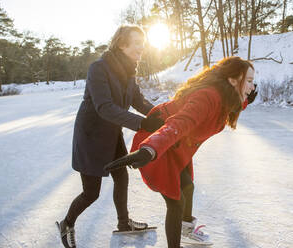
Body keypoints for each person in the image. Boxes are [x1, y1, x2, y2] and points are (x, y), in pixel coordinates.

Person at [104, 56, 257, 248]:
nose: (252, 87)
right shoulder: (208, 96)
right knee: (176, 202)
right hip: (160, 140)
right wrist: (150, 148)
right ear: (233, 80)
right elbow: (179, 123)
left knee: (187, 187)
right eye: (249, 81)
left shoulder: (225, 96)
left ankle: (186, 231)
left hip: (176, 145)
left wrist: (244, 102)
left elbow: (226, 110)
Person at [56, 25, 164, 248]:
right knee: (91, 193)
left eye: (143, 44)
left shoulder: (129, 71)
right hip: (91, 136)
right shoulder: (99, 68)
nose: (141, 49)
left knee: (121, 176)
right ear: (122, 44)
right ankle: (67, 224)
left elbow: (139, 100)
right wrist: (143, 123)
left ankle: (124, 223)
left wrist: (163, 116)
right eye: (137, 44)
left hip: (111, 133)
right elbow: (104, 107)